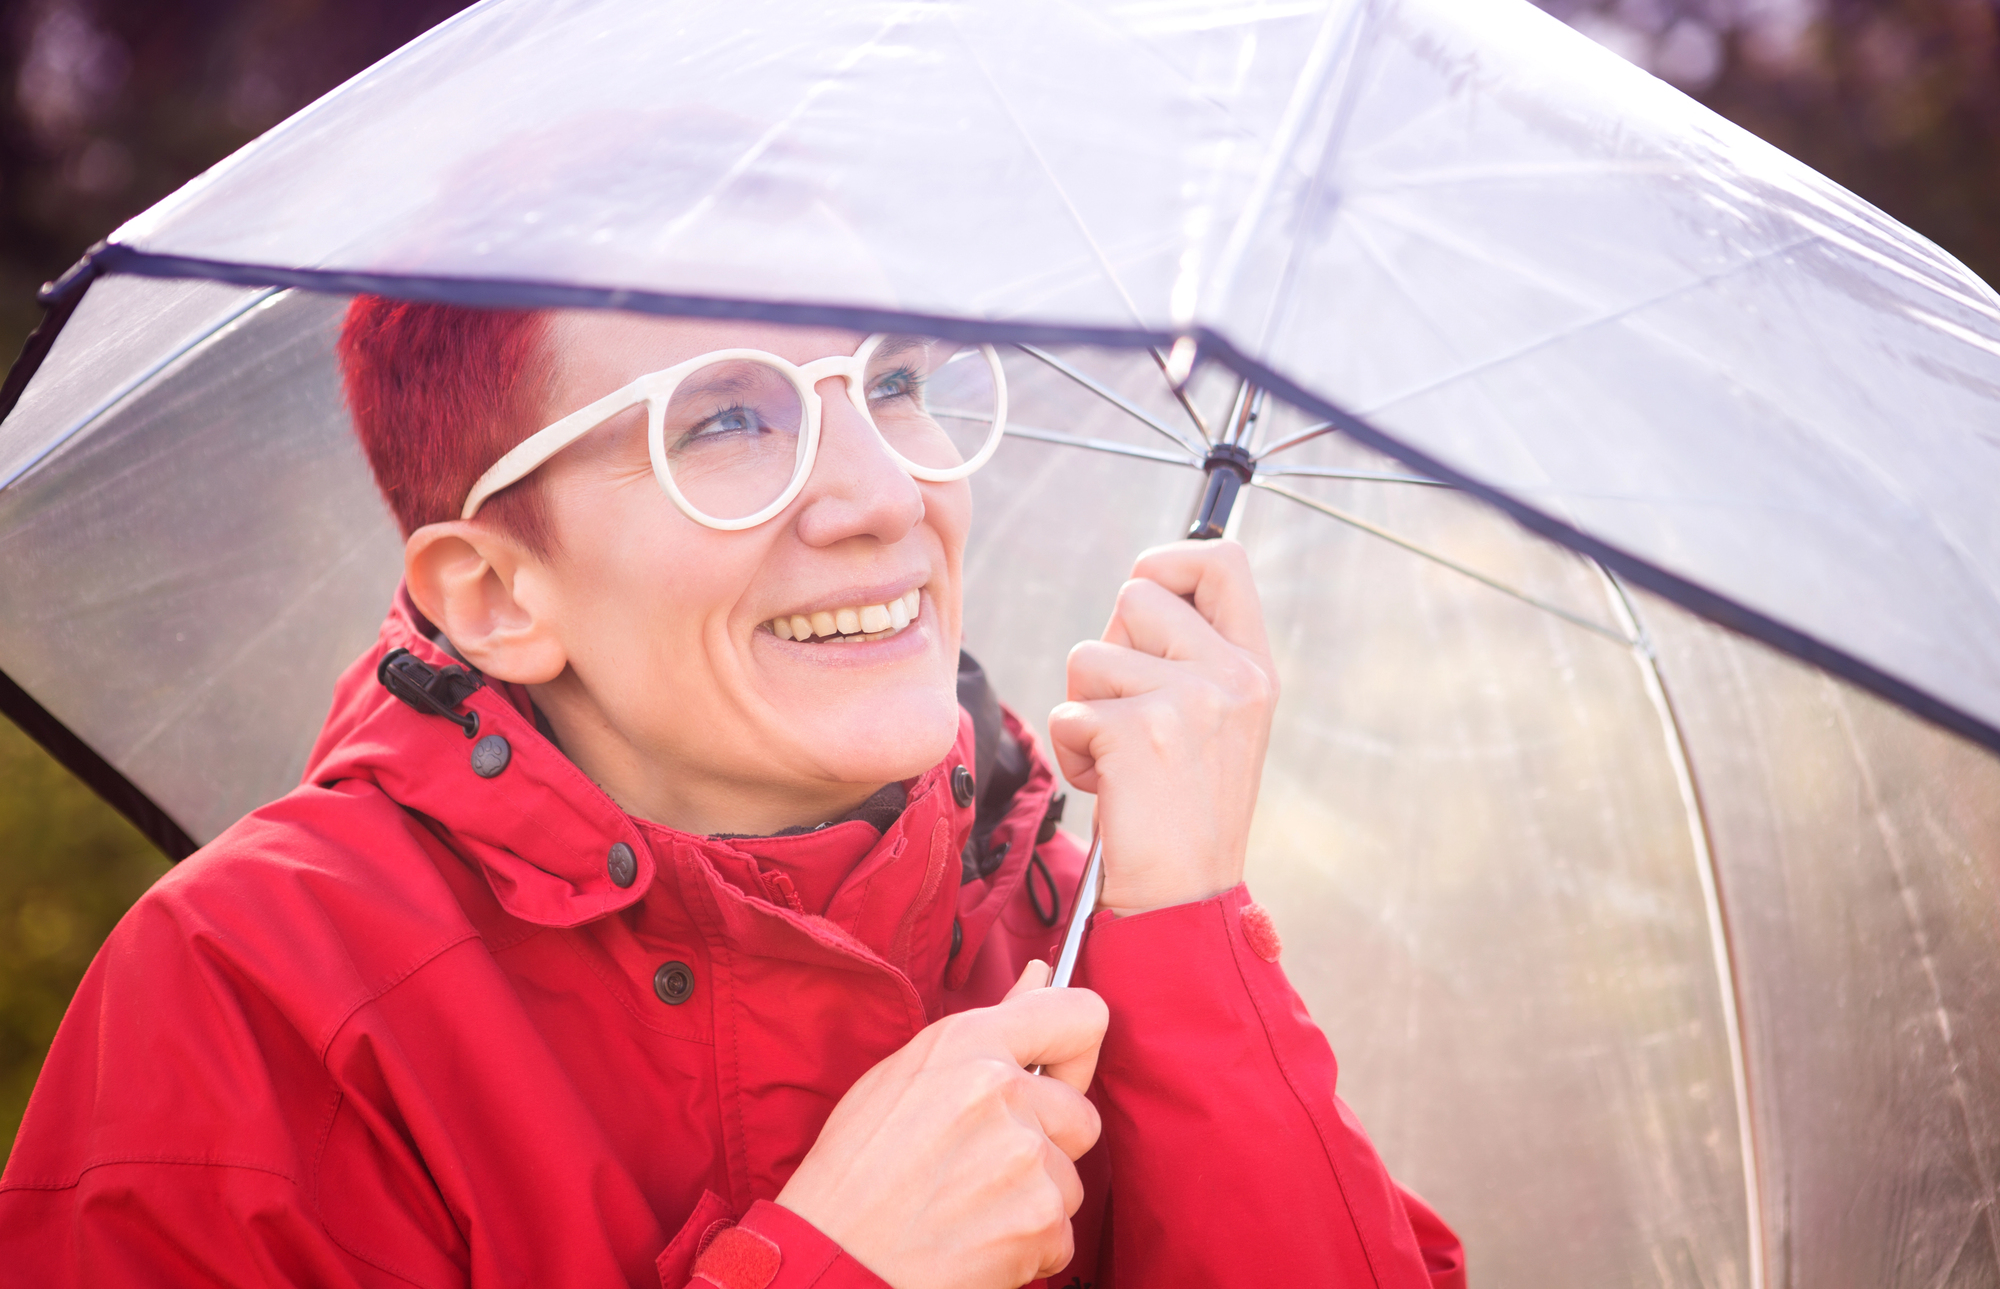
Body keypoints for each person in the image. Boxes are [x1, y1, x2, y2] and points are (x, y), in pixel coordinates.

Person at [0, 298, 1466, 1288]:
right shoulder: (259, 1001)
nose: (884, 495)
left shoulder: (1057, 911)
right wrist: (837, 1264)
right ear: (500, 592)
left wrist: (1185, 924)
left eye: (893, 382)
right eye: (722, 426)